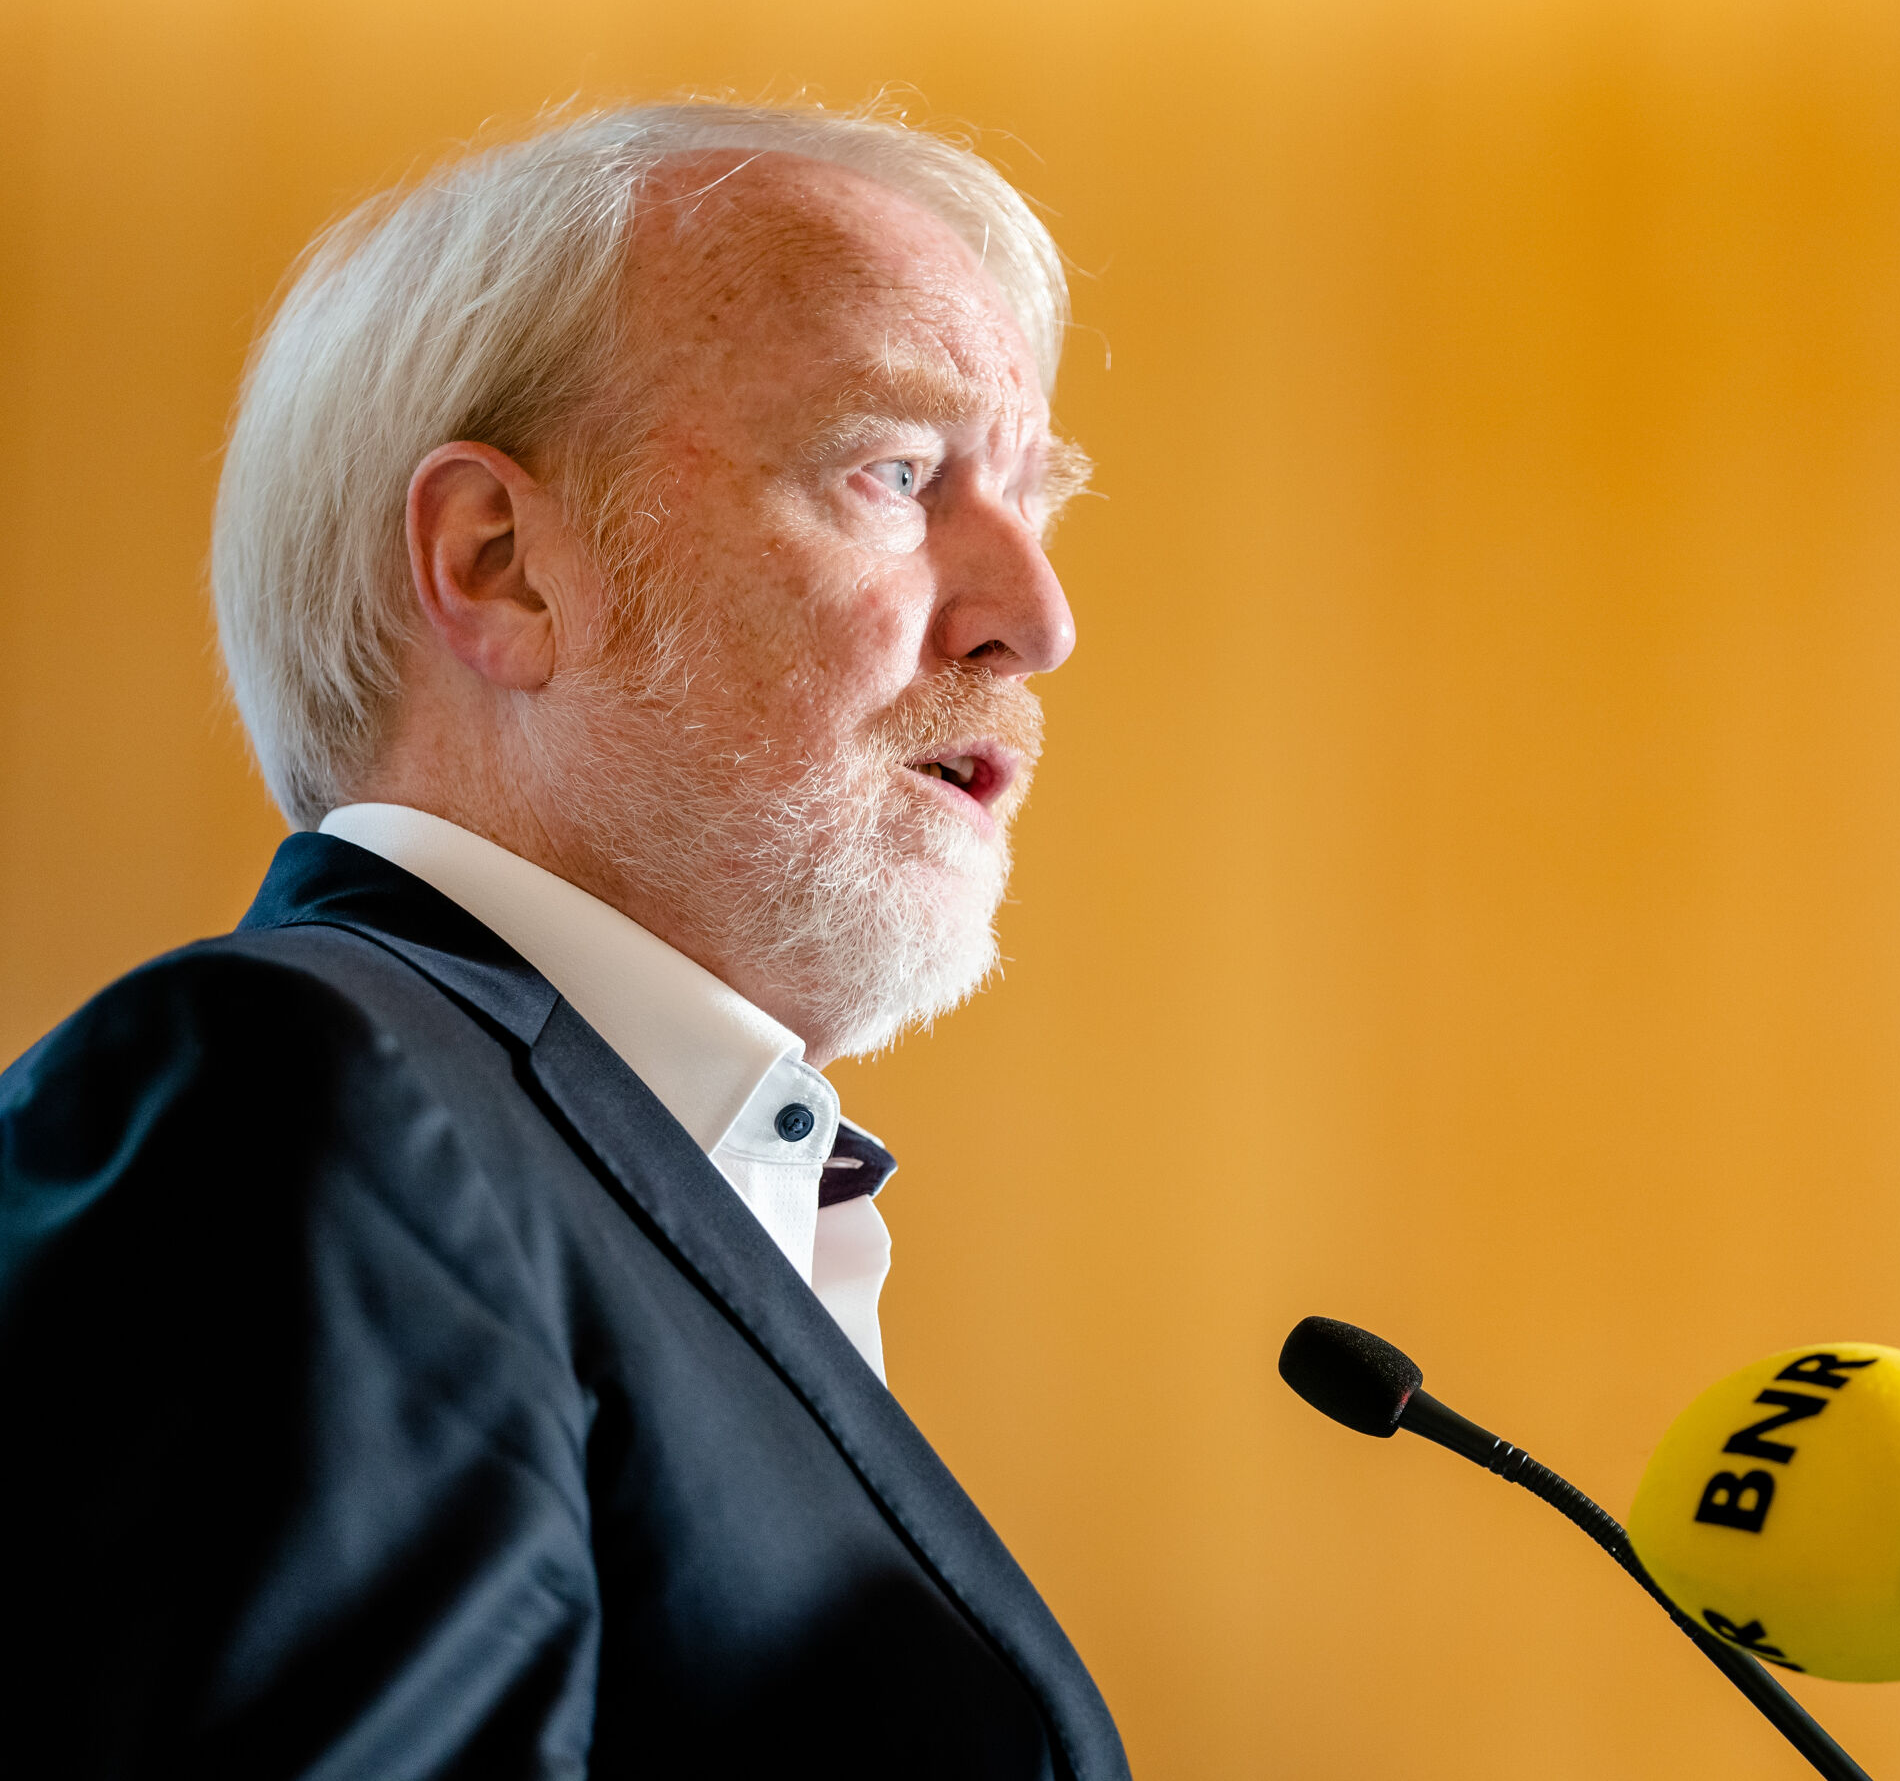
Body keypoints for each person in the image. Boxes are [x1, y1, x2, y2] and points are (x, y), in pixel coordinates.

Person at [0, 101, 1125, 1779]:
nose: (1037, 618)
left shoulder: (617, 1172)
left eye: (1031, 499)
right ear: (501, 565)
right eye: (896, 473)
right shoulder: (297, 1103)